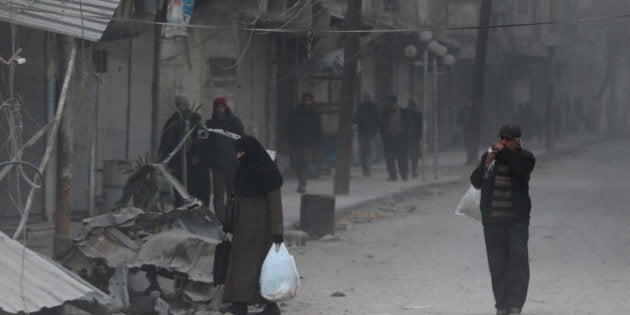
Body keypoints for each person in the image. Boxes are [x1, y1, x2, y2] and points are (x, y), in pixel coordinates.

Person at [470, 124, 536, 315]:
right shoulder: (491, 157)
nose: (503, 143)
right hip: (493, 221)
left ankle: (516, 304)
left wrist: (504, 153)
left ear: (517, 142)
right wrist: (486, 163)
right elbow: (475, 181)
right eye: (502, 139)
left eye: (508, 140)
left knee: (518, 263)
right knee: (497, 265)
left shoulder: (525, 158)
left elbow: (520, 172)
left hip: (517, 221)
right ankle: (502, 306)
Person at [221, 135, 284, 315]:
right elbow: (236, 200)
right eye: (237, 152)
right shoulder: (242, 170)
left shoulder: (269, 172)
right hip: (243, 227)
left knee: (264, 266)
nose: (238, 156)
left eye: (241, 152)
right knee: (241, 265)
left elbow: (275, 206)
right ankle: (240, 302)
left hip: (263, 229)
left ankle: (271, 304)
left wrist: (277, 232)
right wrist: (230, 223)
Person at [157, 94, 208, 206]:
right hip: (178, 163)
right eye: (181, 104)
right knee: (179, 191)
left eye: (185, 104)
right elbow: (166, 141)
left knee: (194, 190)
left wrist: (197, 154)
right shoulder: (172, 121)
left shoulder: (196, 119)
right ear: (177, 106)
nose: (184, 106)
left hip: (193, 163)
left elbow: (203, 136)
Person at [204, 97, 244, 225]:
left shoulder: (235, 123)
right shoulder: (210, 124)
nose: (219, 109)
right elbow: (207, 145)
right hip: (218, 165)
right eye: (217, 107)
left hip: (233, 164)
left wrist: (240, 159)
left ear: (225, 108)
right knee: (218, 194)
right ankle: (221, 221)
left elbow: (242, 142)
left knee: (232, 194)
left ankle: (231, 218)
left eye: (221, 107)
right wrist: (211, 161)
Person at [285, 92, 322, 193]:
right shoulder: (295, 113)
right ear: (302, 101)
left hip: (308, 143)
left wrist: (318, 143)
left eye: (309, 100)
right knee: (296, 163)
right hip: (296, 142)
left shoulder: (314, 114)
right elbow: (289, 127)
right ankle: (300, 180)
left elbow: (318, 129)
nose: (307, 102)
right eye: (306, 100)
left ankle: (302, 183)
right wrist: (287, 140)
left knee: (305, 162)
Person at [380, 94, 409, 181]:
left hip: (401, 138)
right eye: (390, 104)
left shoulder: (404, 113)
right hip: (389, 138)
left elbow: (409, 125)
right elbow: (381, 125)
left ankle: (404, 174)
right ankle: (392, 175)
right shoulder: (384, 113)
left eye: (393, 103)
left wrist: (406, 134)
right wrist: (384, 135)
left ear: (396, 103)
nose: (391, 106)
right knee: (390, 158)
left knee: (402, 158)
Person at [354, 93, 380, 176]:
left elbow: (355, 119)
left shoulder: (361, 107)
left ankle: (364, 169)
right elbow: (379, 119)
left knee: (363, 151)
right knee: (369, 151)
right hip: (372, 132)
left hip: (362, 132)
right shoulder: (375, 107)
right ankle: (368, 170)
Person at [405, 98, 423, 178]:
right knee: (414, 154)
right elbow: (420, 125)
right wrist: (421, 135)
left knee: (405, 152)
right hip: (415, 136)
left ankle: (406, 168)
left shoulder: (404, 111)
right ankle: (414, 170)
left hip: (405, 135)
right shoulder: (418, 112)